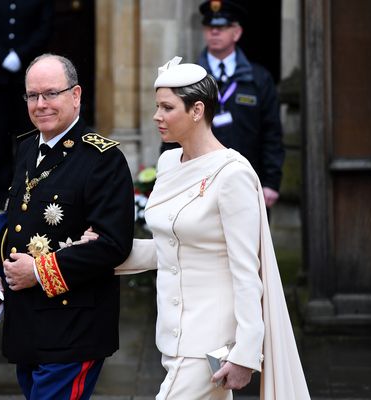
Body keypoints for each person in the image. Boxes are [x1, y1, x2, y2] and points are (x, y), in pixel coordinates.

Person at [85, 58, 310, 399]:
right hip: (173, 333)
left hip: (211, 340)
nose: (157, 116)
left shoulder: (233, 173)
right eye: (156, 106)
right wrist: (102, 251)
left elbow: (248, 271)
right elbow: (169, 247)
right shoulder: (167, 162)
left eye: (167, 107)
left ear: (197, 110)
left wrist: (247, 353)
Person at [0, 54, 135, 399]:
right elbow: (20, 221)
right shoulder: (26, 147)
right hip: (28, 324)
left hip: (73, 327)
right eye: (32, 96)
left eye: (51, 93)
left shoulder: (102, 158)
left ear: (76, 95)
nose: (41, 105)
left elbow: (113, 244)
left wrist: (37, 271)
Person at [163, 0, 284, 209]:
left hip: (247, 181)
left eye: (221, 28)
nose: (214, 33)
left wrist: (271, 182)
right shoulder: (187, 78)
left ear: (236, 33)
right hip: (197, 182)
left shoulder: (258, 79)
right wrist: (169, 176)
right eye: (210, 28)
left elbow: (271, 133)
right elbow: (172, 125)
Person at [0, 1, 53, 210]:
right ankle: (2, 193)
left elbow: (45, 25)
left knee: (28, 136)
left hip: (30, 78)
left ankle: (25, 191)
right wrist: (2, 55)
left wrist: (20, 54)